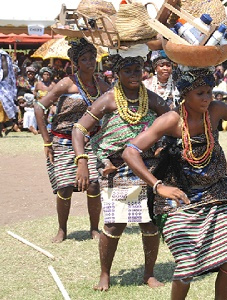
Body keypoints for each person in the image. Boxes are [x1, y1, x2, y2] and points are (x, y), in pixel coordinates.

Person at [122, 65, 227, 300]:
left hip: (217, 192)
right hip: (180, 198)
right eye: (200, 93)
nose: (207, 98)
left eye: (209, 91)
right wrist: (158, 186)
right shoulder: (171, 120)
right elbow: (130, 152)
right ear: (184, 94)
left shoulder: (216, 110)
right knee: (186, 264)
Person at [72, 48, 170, 291]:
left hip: (148, 168)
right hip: (118, 168)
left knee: (149, 224)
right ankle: (105, 274)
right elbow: (79, 129)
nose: (134, 75)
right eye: (128, 70)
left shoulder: (152, 98)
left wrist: (164, 145)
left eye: (137, 69)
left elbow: (172, 119)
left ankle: (149, 274)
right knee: (116, 223)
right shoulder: (108, 99)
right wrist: (81, 160)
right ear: (117, 73)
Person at [34, 38, 110, 243]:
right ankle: (62, 230)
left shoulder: (102, 86)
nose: (90, 62)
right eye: (84, 59)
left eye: (92, 57)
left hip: (90, 142)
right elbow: (39, 107)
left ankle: (94, 228)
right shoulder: (66, 83)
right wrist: (47, 141)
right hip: (63, 141)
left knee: (94, 184)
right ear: (76, 63)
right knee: (65, 187)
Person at [0, 50, 18, 137]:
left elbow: (5, 70)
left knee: (3, 105)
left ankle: (9, 124)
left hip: (2, 84)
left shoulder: (2, 54)